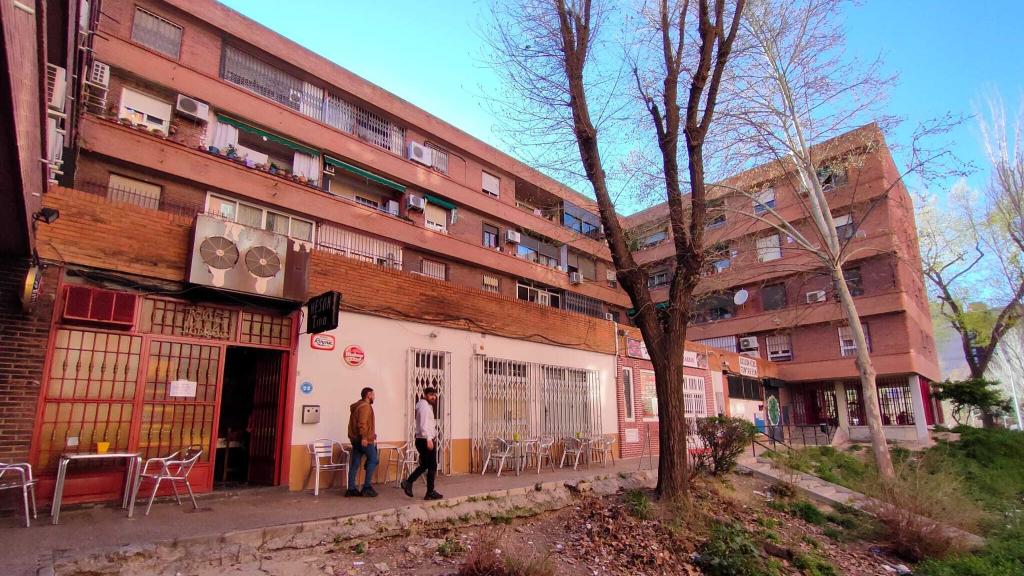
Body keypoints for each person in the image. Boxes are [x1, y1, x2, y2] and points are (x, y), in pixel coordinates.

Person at [401, 387, 443, 500]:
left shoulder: (423, 405)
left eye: (434, 395)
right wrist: (429, 439)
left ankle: (409, 482)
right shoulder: (424, 407)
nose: (433, 397)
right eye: (431, 395)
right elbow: (423, 425)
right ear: (425, 395)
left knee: (425, 465)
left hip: (422, 439)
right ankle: (429, 492)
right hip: (425, 440)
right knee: (432, 465)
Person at [346, 387, 379, 497]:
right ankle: (367, 487)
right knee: (373, 459)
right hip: (363, 440)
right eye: (373, 395)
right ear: (368, 395)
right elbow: (362, 423)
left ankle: (351, 489)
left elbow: (363, 424)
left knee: (355, 463)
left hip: (356, 439)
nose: (374, 397)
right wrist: (365, 437)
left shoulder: (358, 406)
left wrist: (371, 434)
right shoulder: (365, 407)